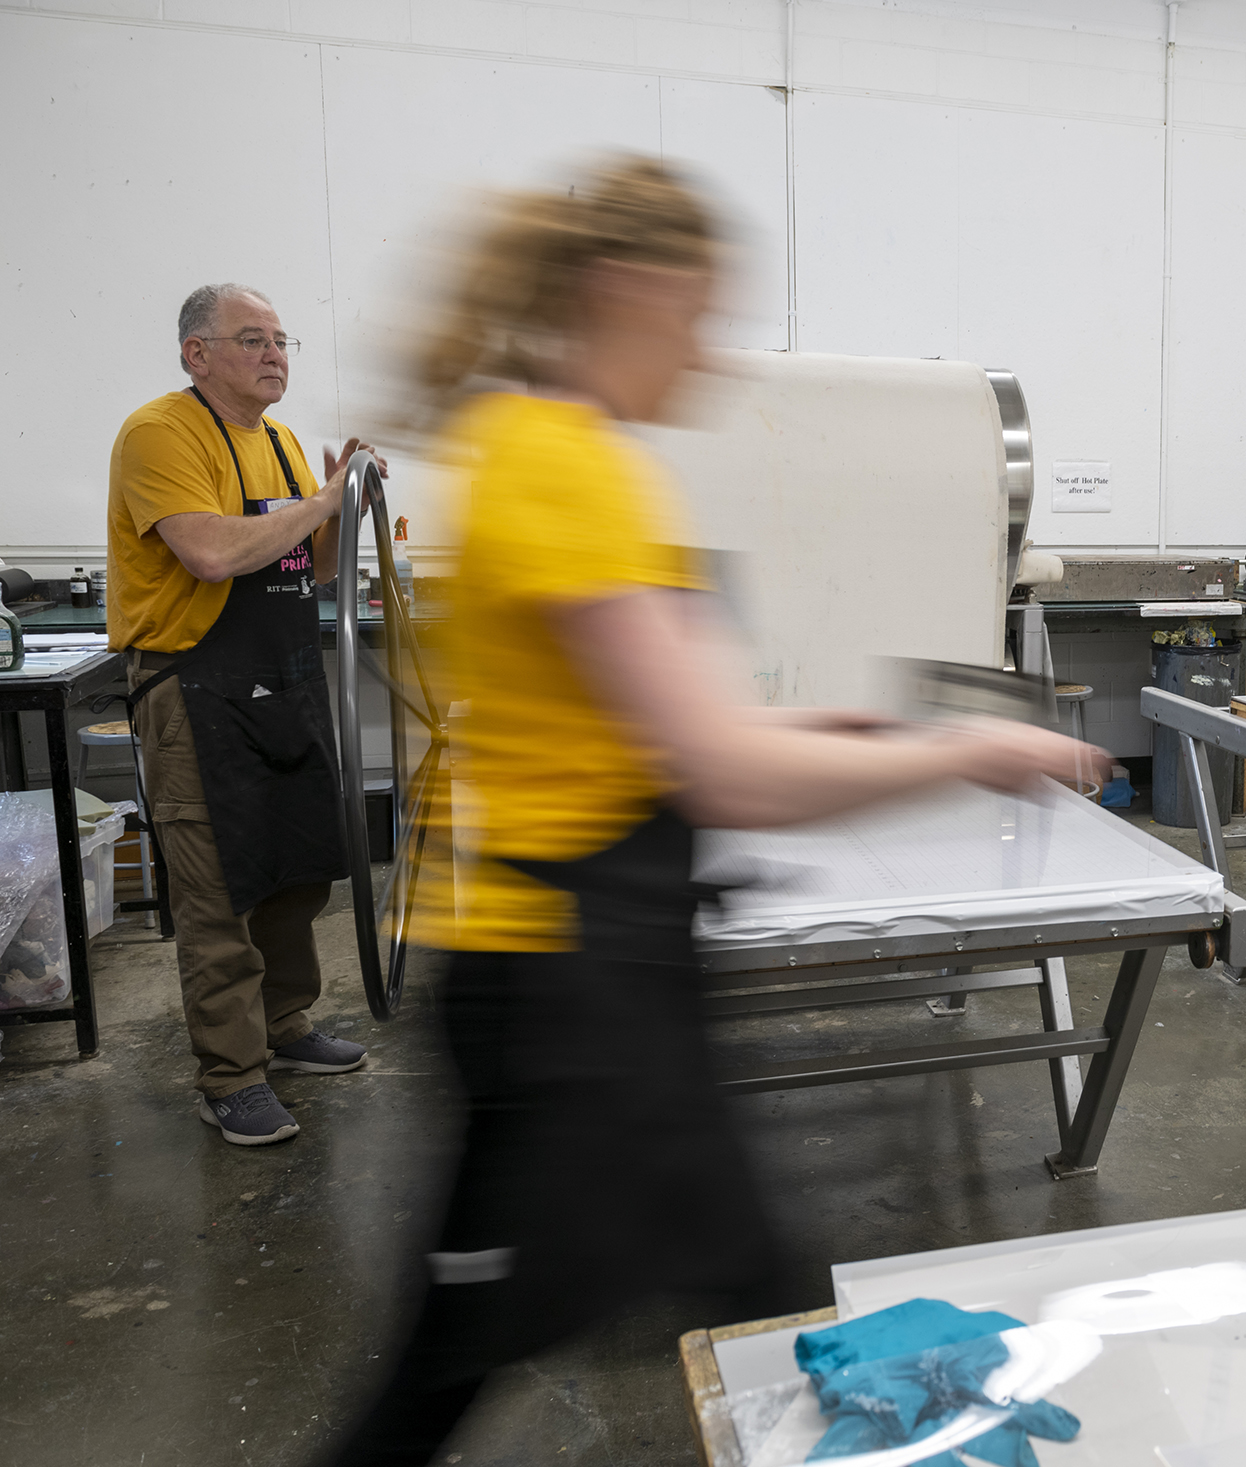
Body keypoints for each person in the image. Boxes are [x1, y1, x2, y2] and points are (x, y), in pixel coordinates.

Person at [326, 156, 1105, 1465]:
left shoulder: (547, 450)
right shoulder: (563, 468)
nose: (713, 348)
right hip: (565, 1008)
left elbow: (646, 732)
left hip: (599, 986)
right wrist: (960, 748)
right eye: (704, 310)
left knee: (755, 1298)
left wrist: (852, 724)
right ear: (635, 288)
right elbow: (723, 772)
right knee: (483, 1356)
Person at [106, 283, 384, 1146]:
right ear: (197, 353)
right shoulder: (161, 433)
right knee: (220, 886)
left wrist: (344, 498)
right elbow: (214, 551)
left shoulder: (283, 442)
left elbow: (311, 550)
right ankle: (231, 1076)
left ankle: (288, 1026)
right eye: (251, 339)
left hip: (283, 678)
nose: (275, 354)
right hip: (195, 688)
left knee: (296, 868)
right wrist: (319, 503)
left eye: (280, 340)